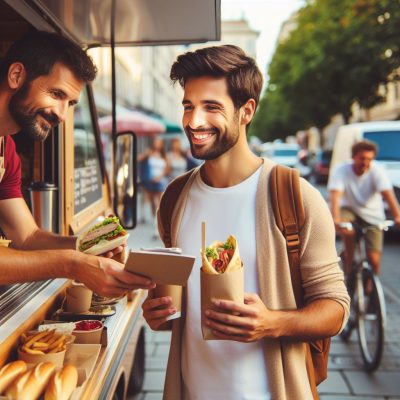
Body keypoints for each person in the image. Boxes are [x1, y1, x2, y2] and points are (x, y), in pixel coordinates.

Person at [142, 45, 350, 399]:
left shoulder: (294, 196)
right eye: (188, 106)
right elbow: (179, 312)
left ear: (246, 111)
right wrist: (159, 315)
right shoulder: (174, 198)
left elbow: (335, 309)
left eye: (212, 107)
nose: (194, 121)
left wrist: (273, 323)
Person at [0, 31, 155, 297]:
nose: (61, 114)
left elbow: (27, 238)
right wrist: (74, 264)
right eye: (56, 93)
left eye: (69, 103)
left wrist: (89, 246)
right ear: (16, 76)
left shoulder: (7, 150)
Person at [328, 140, 400, 279]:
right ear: (353, 157)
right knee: (347, 231)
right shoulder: (341, 170)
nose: (365, 163)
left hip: (372, 214)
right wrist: (335, 220)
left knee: (374, 259)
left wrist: (397, 216)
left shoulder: (377, 170)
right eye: (362, 158)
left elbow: (388, 195)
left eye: (369, 159)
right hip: (348, 209)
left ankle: (371, 291)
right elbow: (335, 197)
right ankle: (348, 262)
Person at [138, 137, 169, 236]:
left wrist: (160, 176)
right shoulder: (149, 152)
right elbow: (139, 159)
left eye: (158, 142)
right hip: (150, 181)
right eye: (155, 142)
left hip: (160, 181)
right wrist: (147, 154)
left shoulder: (163, 155)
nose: (157, 144)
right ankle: (153, 219)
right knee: (151, 202)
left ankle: (158, 223)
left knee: (159, 203)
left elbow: (167, 168)